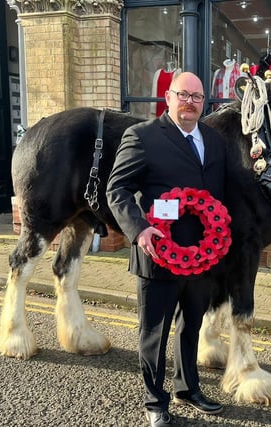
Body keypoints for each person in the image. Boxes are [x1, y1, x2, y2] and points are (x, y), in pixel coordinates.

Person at [107, 72, 226, 427]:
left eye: (198, 97)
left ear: (204, 102)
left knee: (192, 326)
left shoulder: (214, 140)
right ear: (168, 97)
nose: (190, 102)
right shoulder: (142, 136)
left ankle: (188, 387)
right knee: (154, 333)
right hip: (160, 254)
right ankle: (154, 400)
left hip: (203, 256)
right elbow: (117, 189)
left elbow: (229, 189)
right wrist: (139, 229)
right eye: (183, 95)